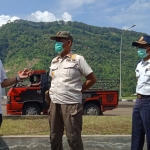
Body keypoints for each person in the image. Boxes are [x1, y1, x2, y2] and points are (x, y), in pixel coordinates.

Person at [48, 31, 97, 150]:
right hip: (55, 103)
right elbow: (53, 80)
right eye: (56, 41)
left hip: (71, 104)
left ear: (68, 42)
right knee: (54, 137)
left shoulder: (77, 59)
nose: (57, 44)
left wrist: (78, 90)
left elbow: (92, 79)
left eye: (60, 41)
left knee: (73, 138)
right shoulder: (54, 61)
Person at [131, 35, 150, 150]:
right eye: (138, 46)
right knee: (136, 134)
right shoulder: (140, 64)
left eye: (142, 46)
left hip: (149, 101)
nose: (140, 49)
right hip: (139, 101)